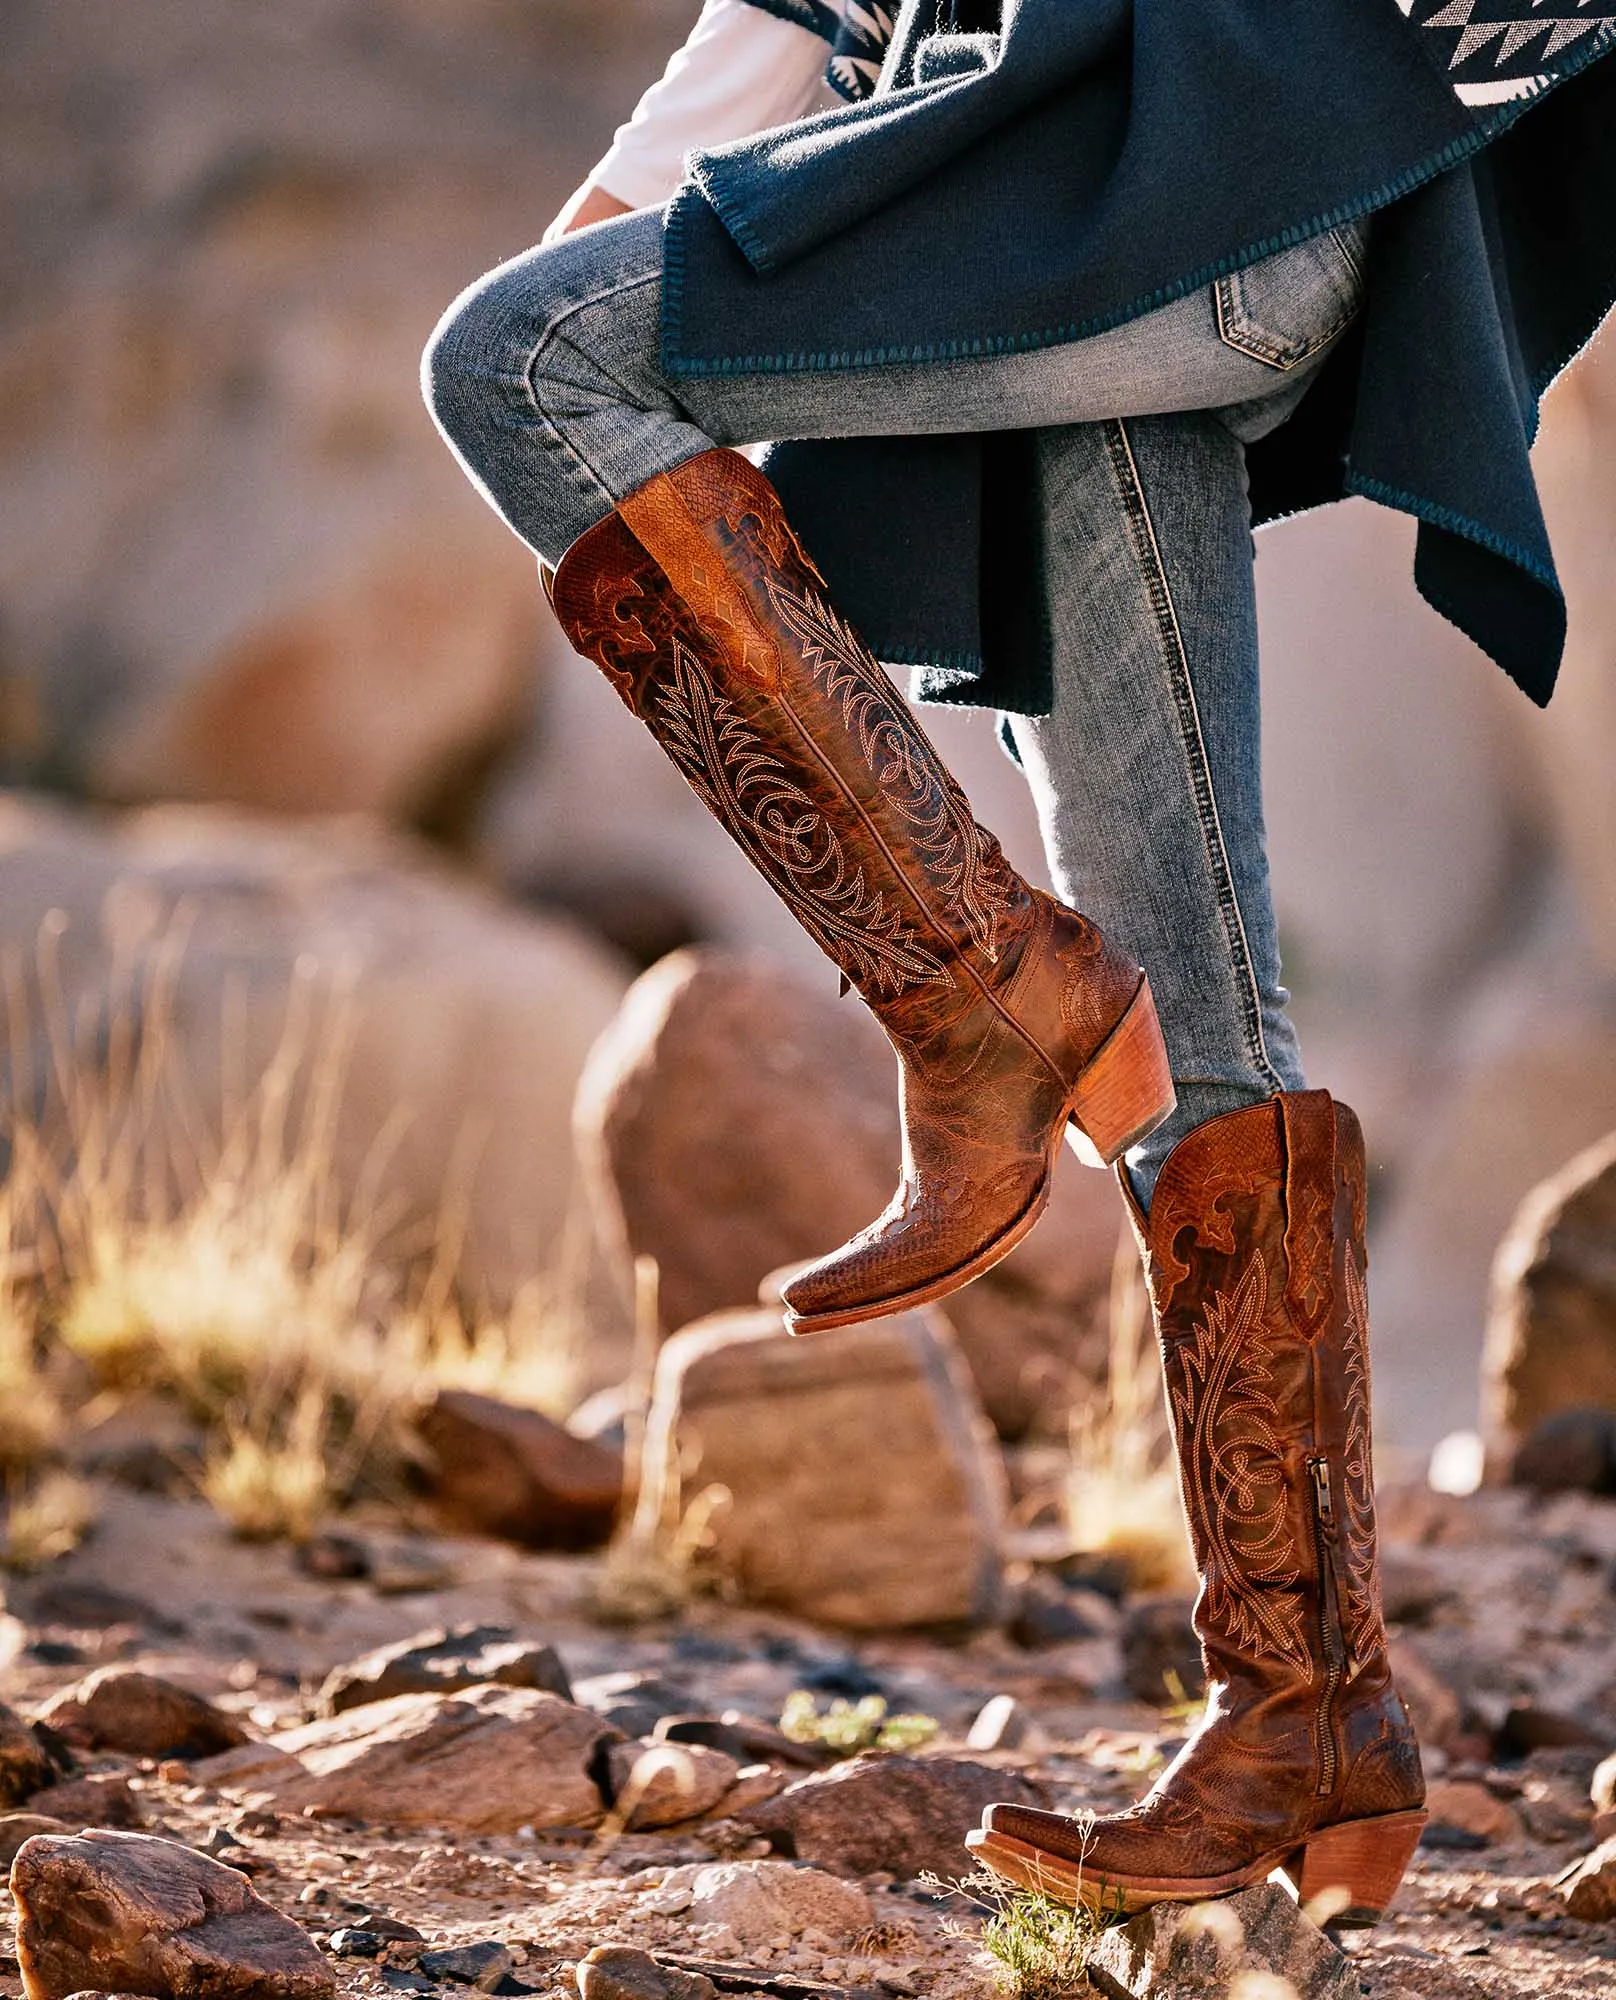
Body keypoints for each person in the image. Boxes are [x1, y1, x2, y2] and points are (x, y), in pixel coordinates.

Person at [424, 0, 1616, 1928]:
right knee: (1195, 992)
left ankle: (980, 1001)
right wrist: (629, 224)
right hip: (1122, 215)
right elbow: (793, 24)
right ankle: (1306, 1716)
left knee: (514, 356)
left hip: (1153, 185)